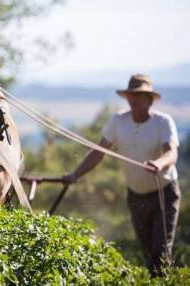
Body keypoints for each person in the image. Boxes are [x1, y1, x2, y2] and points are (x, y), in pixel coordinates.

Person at [62, 74, 180, 276]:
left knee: (160, 250)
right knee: (147, 250)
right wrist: (75, 174)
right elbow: (99, 152)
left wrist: (159, 163)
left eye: (139, 95)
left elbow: (171, 152)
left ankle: (162, 279)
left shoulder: (163, 122)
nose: (133, 99)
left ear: (149, 99)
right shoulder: (118, 121)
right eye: (131, 95)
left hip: (164, 194)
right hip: (135, 195)